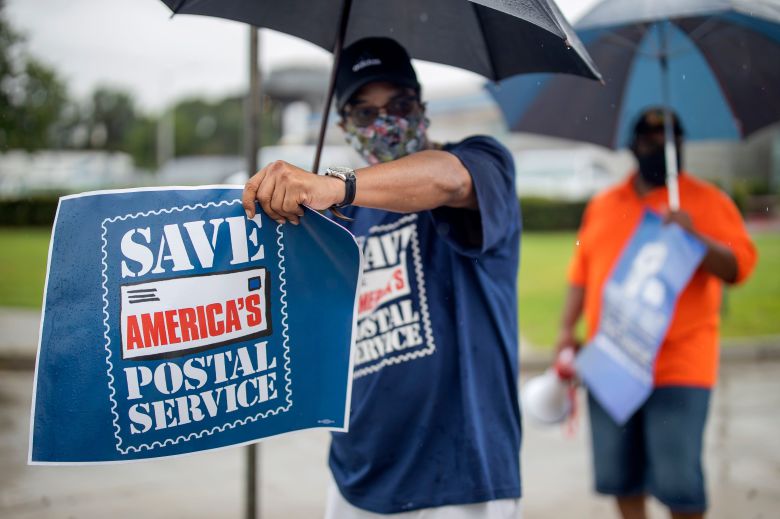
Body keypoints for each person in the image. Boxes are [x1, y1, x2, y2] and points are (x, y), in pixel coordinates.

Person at [242, 37, 522, 518]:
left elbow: (447, 180)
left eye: (399, 104)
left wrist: (336, 185)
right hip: (356, 473)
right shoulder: (337, 223)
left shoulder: (481, 163)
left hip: (459, 479)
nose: (386, 122)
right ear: (346, 126)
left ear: (422, 107)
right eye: (366, 113)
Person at [554, 108, 758, 519]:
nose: (663, 145)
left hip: (679, 365)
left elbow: (739, 268)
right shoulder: (604, 204)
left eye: (673, 137)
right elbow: (581, 274)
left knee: (680, 485)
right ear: (632, 145)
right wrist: (564, 329)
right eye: (651, 137)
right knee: (620, 477)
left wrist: (692, 236)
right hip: (611, 359)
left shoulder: (707, 201)